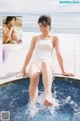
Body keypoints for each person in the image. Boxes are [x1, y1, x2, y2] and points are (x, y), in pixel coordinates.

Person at [17, 15, 74, 106]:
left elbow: (59, 54)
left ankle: (48, 96)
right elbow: (30, 53)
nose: (42, 28)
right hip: (35, 63)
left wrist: (63, 71)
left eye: (44, 25)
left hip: (47, 64)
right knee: (35, 76)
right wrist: (23, 69)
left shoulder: (54, 38)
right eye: (40, 26)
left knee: (44, 62)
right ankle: (32, 106)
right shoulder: (35, 38)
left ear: (49, 25)